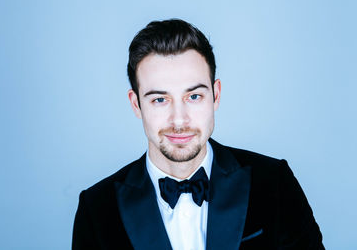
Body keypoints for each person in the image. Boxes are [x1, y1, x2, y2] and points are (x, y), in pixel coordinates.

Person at [72, 19, 324, 250]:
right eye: (160, 99)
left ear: (215, 96)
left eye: (194, 96)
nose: (179, 120)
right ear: (136, 104)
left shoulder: (274, 183)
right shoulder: (96, 209)